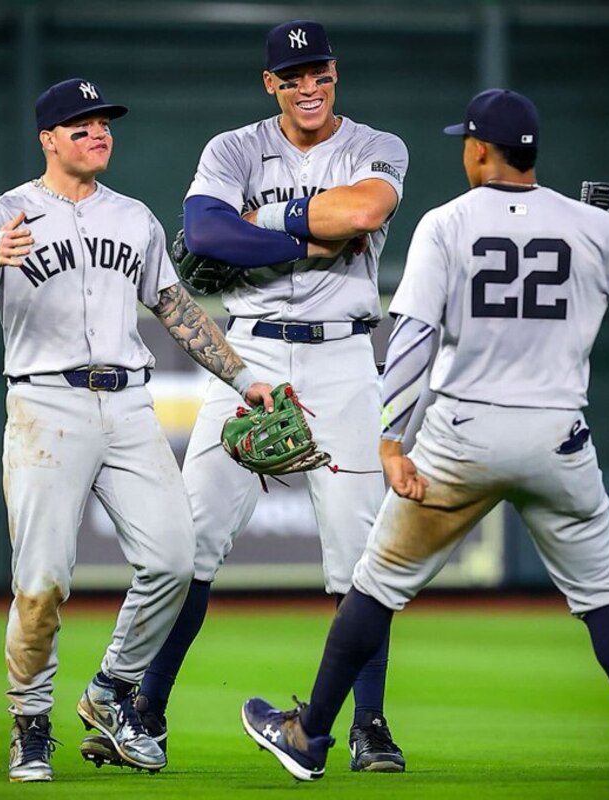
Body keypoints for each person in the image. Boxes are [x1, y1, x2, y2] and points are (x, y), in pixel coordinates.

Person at [240, 88, 609, 786]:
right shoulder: (589, 226)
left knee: (374, 587)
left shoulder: (446, 224)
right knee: (605, 597)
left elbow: (414, 338)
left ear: (480, 149)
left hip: (464, 435)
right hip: (558, 438)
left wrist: (391, 443)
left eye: (467, 140)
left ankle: (310, 736)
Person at [0, 77, 273, 783]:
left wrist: (243, 378)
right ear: (48, 138)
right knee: (42, 583)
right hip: (44, 408)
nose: (97, 133)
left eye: (104, 123)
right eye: (80, 125)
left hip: (128, 406)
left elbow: (175, 308)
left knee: (175, 559)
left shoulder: (134, 218)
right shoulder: (4, 211)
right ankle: (29, 725)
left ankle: (109, 691)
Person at [88, 19, 409, 774]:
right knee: (190, 541)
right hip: (252, 353)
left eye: (319, 71)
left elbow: (363, 212)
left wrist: (259, 221)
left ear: (335, 74)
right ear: (270, 83)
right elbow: (204, 234)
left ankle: (370, 727)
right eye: (292, 75)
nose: (308, 86)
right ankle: (148, 713)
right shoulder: (232, 148)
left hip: (343, 353)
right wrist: (305, 236)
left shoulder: (376, 145)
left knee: (360, 558)